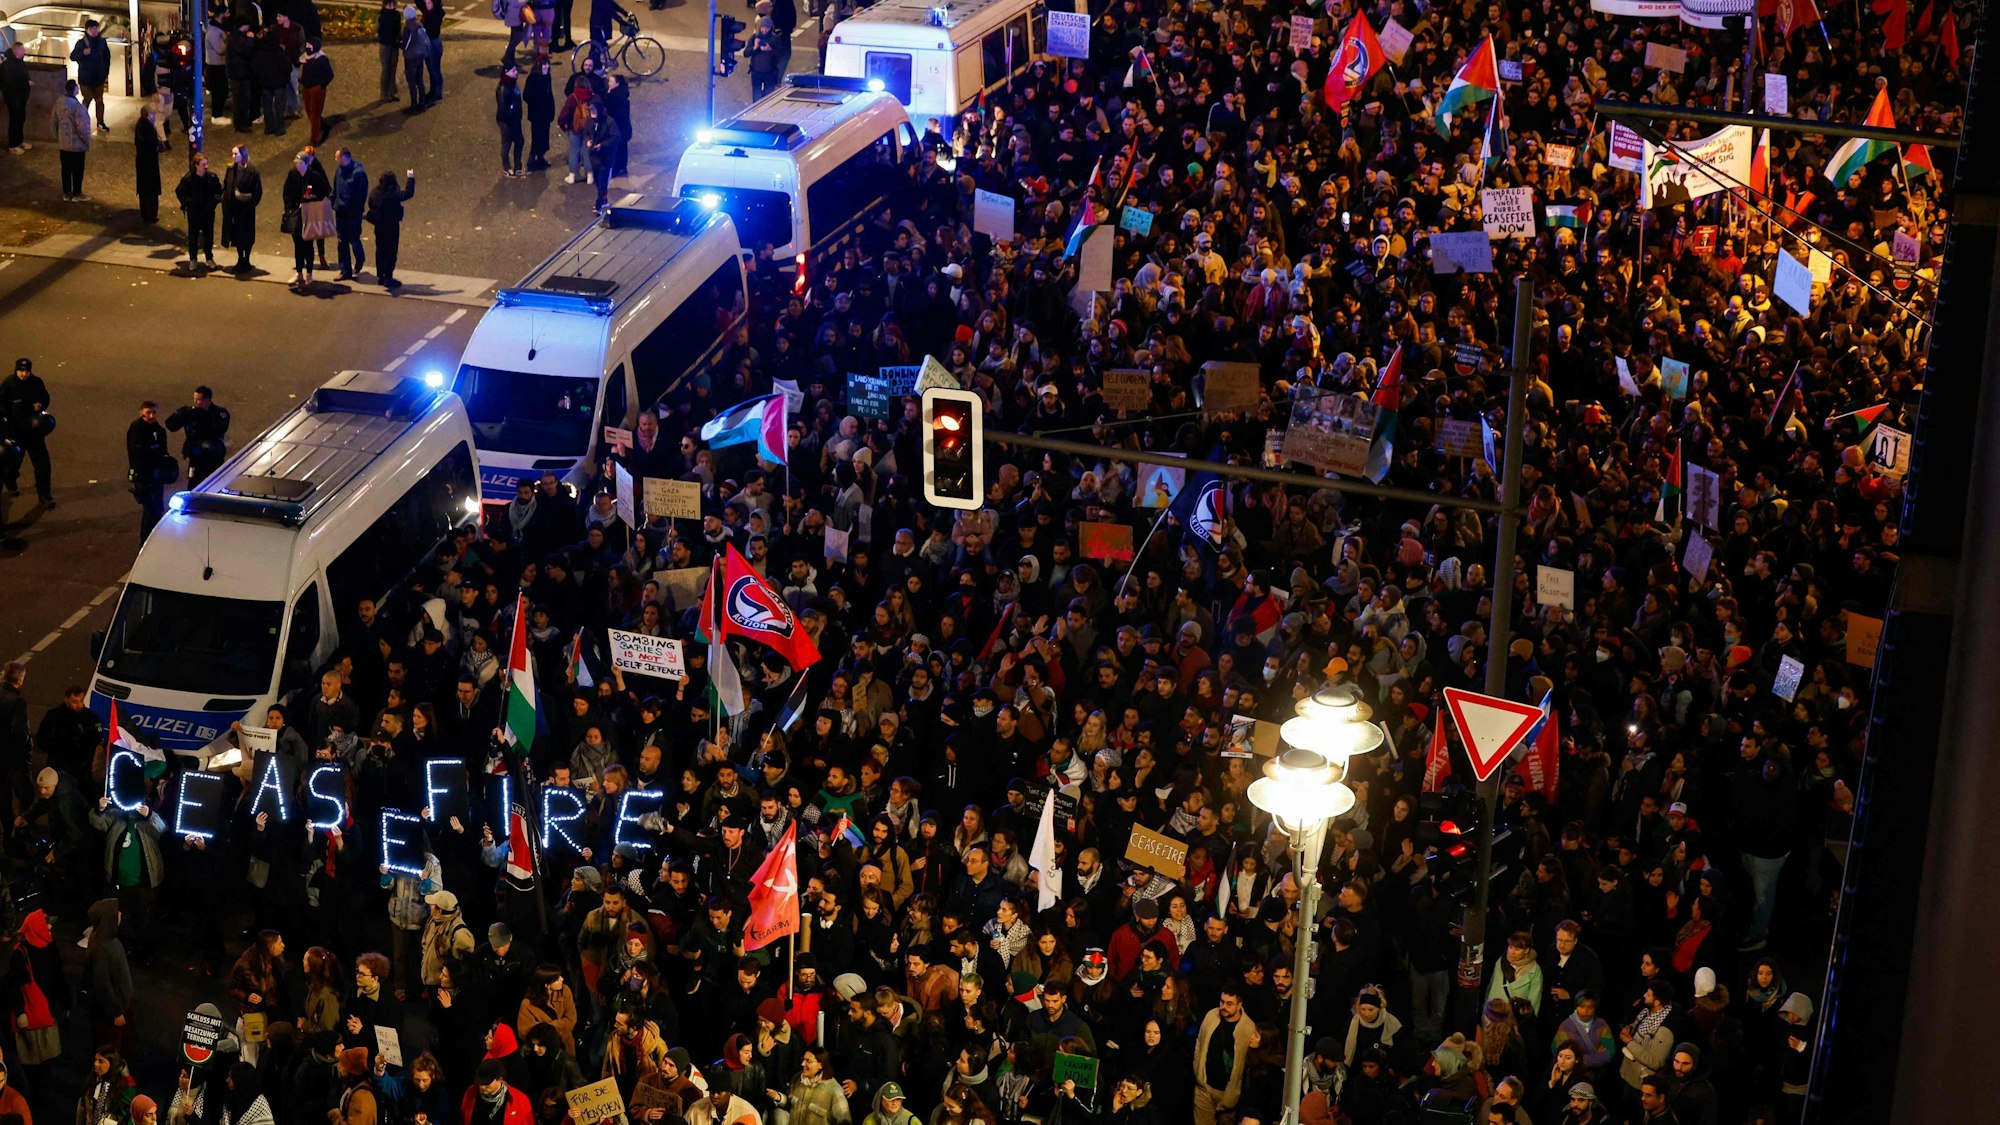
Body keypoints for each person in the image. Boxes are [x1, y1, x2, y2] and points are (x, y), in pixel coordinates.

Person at [0, 358, 52, 507]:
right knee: (13, 461)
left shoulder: (36, 382)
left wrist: (41, 404)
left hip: (34, 431)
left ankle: (45, 493)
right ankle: (10, 479)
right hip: (16, 432)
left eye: (26, 371)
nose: (24, 374)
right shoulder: (9, 385)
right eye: (21, 371)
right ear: (16, 370)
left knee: (42, 464)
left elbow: (45, 397)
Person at [282, 148, 330, 288]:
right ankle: (299, 272)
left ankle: (309, 272)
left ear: (306, 164)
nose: (297, 166)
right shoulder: (292, 175)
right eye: (296, 163)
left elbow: (323, 192)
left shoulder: (315, 177)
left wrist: (313, 197)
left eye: (300, 163)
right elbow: (286, 192)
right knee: (298, 244)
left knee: (308, 244)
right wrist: (289, 208)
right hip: (297, 213)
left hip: (310, 212)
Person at [165, 386, 231, 488]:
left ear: (207, 400)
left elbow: (218, 429)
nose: (195, 402)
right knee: (193, 486)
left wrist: (199, 418)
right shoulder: (190, 413)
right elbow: (171, 425)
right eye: (195, 398)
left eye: (199, 399)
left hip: (213, 457)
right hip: (196, 458)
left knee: (215, 486)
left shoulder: (220, 413)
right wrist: (180, 415)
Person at [126, 400, 174, 541]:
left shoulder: (159, 430)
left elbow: (163, 451)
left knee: (157, 508)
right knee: (150, 510)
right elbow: (138, 454)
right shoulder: (136, 429)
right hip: (144, 477)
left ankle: (155, 539)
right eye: (148, 412)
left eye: (154, 412)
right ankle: (146, 542)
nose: (151, 416)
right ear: (141, 413)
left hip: (156, 476)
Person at [364, 167, 416, 289]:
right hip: (391, 226)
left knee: (380, 250)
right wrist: (410, 178)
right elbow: (408, 193)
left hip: (379, 226)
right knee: (391, 252)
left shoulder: (375, 193)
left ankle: (381, 275)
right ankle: (388, 277)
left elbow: (370, 204)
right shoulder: (393, 195)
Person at [176, 151, 223, 270]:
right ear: (196, 165)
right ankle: (193, 259)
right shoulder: (188, 179)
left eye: (206, 164)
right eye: (203, 164)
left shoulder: (212, 178)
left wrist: (214, 201)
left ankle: (209, 257)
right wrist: (189, 203)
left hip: (207, 211)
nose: (206, 166)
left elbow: (219, 191)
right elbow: (180, 192)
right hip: (194, 212)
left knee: (209, 235)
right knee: (193, 235)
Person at [220, 144, 261, 272]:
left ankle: (247, 260)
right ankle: (240, 259)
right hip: (235, 208)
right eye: (232, 154)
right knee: (237, 234)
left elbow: (258, 190)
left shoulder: (252, 171)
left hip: (247, 208)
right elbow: (227, 184)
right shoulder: (231, 169)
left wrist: (251, 202)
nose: (233, 156)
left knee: (247, 235)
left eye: (235, 154)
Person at [331, 147, 368, 280]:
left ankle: (360, 259)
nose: (336, 160)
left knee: (353, 239)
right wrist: (333, 201)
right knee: (342, 242)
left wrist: (356, 210)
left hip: (352, 214)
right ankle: (345, 270)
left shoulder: (358, 173)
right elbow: (336, 187)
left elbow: (362, 195)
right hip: (341, 212)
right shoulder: (339, 170)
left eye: (337, 157)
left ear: (344, 157)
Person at [459, 1058, 531, 1125]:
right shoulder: (470, 1092)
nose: (482, 1087)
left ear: (500, 1079)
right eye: (480, 1082)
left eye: (487, 1083)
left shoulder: (519, 1100)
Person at [54, 79, 91, 202]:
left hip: (64, 144)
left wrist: (58, 137)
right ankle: (77, 193)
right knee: (77, 170)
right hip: (77, 145)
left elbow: (54, 121)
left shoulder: (59, 103)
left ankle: (66, 192)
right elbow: (82, 127)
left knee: (66, 168)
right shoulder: (77, 107)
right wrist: (87, 142)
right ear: (75, 90)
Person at [69, 19, 111, 130]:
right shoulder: (81, 43)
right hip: (86, 77)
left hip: (98, 77)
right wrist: (83, 53)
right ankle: (81, 121)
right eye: (91, 29)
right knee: (87, 99)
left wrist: (105, 72)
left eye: (96, 28)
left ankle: (100, 122)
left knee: (99, 100)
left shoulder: (102, 42)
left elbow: (107, 57)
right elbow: (73, 56)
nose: (94, 31)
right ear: (87, 30)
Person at [253, 23, 291, 135]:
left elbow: (255, 67)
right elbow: (287, 67)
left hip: (265, 84)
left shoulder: (260, 53)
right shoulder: (279, 53)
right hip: (279, 84)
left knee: (267, 106)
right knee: (279, 107)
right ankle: (279, 128)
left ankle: (269, 128)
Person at [524, 56, 554, 172]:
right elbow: (527, 95)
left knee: (544, 135)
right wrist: (536, 102)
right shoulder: (533, 77)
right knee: (536, 135)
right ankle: (532, 158)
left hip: (545, 113)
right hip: (537, 113)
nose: (546, 67)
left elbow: (549, 94)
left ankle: (540, 156)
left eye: (547, 64)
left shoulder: (547, 77)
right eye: (543, 65)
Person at [300, 40, 333, 145]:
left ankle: (315, 138)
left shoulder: (322, 59)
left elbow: (329, 75)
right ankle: (322, 126)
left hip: (316, 89)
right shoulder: (307, 58)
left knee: (315, 114)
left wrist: (321, 86)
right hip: (307, 88)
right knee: (309, 112)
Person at [399, 6, 430, 112]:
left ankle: (414, 105)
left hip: (411, 58)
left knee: (412, 82)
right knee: (419, 80)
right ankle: (422, 103)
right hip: (420, 56)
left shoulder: (408, 27)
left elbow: (406, 45)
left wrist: (398, 43)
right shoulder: (419, 24)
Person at [496, 66, 524, 177]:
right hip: (506, 121)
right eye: (513, 71)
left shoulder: (513, 84)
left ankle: (518, 165)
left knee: (519, 142)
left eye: (516, 70)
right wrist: (509, 120)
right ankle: (507, 167)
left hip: (515, 120)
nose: (516, 72)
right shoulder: (503, 88)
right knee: (507, 143)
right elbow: (503, 108)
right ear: (507, 73)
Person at [2, 40, 29, 153]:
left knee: (20, 119)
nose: (25, 51)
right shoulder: (9, 65)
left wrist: (28, 80)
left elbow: (23, 75)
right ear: (17, 51)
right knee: (15, 121)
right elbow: (10, 82)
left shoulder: (19, 62)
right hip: (14, 98)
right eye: (22, 49)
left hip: (20, 97)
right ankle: (13, 145)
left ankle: (19, 141)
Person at [745, 17, 781, 99]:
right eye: (762, 27)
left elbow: (780, 54)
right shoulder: (754, 37)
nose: (764, 30)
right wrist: (755, 47)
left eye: (767, 28)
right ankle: (756, 111)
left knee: (768, 97)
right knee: (756, 96)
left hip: (770, 72)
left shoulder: (774, 39)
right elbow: (746, 53)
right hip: (756, 72)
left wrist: (770, 49)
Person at [376, 0, 402, 100]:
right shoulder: (381, 16)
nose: (391, 6)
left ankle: (392, 91)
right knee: (386, 69)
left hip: (393, 44)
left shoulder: (395, 15)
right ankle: (385, 93)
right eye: (389, 4)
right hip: (385, 45)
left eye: (392, 4)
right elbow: (378, 29)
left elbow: (398, 30)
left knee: (392, 68)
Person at [421, 0, 445, 104]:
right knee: (431, 69)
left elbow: (431, 29)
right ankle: (432, 92)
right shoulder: (428, 12)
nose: (427, 5)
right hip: (430, 43)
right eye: (426, 3)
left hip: (433, 44)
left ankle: (438, 95)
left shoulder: (436, 14)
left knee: (435, 69)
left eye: (429, 3)